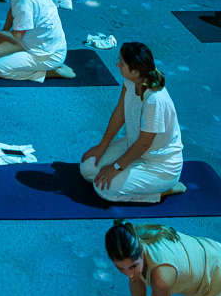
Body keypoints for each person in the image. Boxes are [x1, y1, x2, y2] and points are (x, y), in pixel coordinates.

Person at [78, 41, 186, 203]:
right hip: (133, 146)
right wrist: (103, 145)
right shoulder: (130, 81)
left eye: (122, 63)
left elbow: (144, 143)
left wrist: (115, 167)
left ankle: (163, 190)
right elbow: (119, 113)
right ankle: (135, 176)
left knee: (103, 188)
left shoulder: (155, 100)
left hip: (159, 167)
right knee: (88, 168)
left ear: (135, 71)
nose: (117, 65)